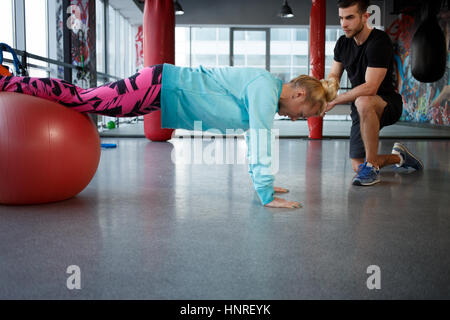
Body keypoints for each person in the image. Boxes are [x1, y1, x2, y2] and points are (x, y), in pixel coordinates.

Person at [0, 63, 337, 208]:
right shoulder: (265, 88)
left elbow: (252, 136)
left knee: (86, 100)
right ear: (298, 96)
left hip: (161, 90)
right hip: (159, 85)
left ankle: (12, 82)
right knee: (84, 99)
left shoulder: (264, 89)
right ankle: (10, 82)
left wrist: (262, 181)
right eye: (304, 114)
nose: (297, 118)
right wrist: (266, 195)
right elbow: (263, 136)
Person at [323, 0, 424, 186]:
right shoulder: (342, 44)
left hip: (386, 104)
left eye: (350, 17)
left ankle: (371, 167)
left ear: (365, 17)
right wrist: (325, 93)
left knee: (363, 100)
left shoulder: (379, 41)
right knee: (357, 166)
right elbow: (333, 75)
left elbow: (370, 87)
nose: (344, 23)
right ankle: (399, 158)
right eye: (341, 18)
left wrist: (336, 101)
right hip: (360, 108)